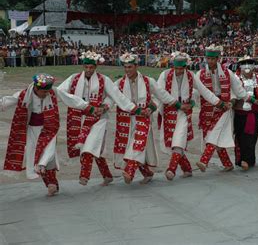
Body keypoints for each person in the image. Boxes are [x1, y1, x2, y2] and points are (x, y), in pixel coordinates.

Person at [58, 51, 139, 186]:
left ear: (96, 67)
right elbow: (60, 91)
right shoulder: (73, 78)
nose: (89, 70)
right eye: (86, 67)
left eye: (91, 67)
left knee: (89, 147)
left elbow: (116, 95)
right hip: (78, 118)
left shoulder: (104, 79)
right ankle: (107, 175)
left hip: (98, 119)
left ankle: (84, 175)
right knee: (96, 148)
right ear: (83, 66)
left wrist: (106, 106)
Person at [1, 74, 90, 196]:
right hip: (33, 130)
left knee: (49, 155)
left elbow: (70, 98)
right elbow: (6, 102)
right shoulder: (24, 95)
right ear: (36, 89)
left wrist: (87, 107)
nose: (46, 94)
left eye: (48, 91)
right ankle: (51, 184)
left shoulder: (53, 91)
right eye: (43, 91)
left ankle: (51, 183)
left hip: (50, 128)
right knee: (37, 157)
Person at [157, 51, 222, 180]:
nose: (179, 71)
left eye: (181, 68)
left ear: (186, 67)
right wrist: (176, 104)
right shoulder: (164, 75)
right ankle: (187, 168)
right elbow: (160, 93)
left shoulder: (191, 76)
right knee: (171, 142)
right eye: (176, 68)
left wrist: (219, 102)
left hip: (184, 113)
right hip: (169, 112)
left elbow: (203, 91)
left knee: (179, 139)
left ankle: (171, 169)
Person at [112, 53, 175, 184]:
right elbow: (112, 98)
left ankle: (130, 171)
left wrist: (176, 104)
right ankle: (147, 173)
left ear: (136, 66)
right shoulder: (119, 83)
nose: (127, 70)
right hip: (126, 120)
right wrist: (103, 107)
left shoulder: (148, 81)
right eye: (125, 67)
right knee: (135, 146)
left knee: (138, 143)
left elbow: (161, 95)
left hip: (143, 119)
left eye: (130, 67)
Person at [195, 44, 249, 172]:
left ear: (218, 59)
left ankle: (204, 161)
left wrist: (249, 99)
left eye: (213, 59)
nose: (210, 61)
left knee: (214, 134)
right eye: (208, 59)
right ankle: (227, 164)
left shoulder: (227, 72)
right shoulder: (200, 74)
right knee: (214, 135)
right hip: (208, 108)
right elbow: (195, 91)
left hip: (225, 107)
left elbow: (238, 89)